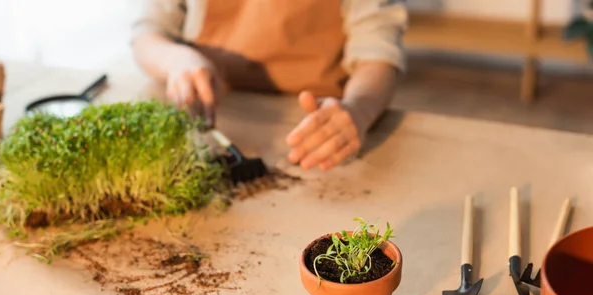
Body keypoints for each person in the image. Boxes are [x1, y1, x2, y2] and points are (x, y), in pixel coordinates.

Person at [131, 0, 407, 171]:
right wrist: (176, 58)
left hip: (317, 123)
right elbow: (148, 34)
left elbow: (378, 54)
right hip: (216, 109)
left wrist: (357, 111)